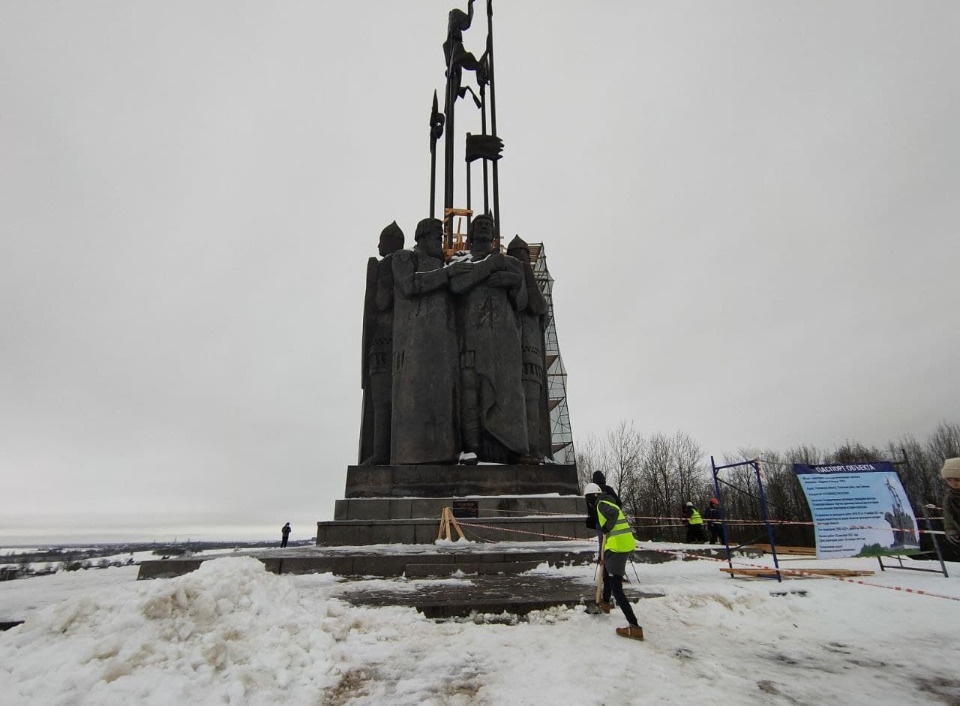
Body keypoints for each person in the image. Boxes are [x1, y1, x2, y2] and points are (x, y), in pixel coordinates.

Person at [448, 215, 528, 463]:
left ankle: (514, 449)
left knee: (509, 390)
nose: (483, 228)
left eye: (488, 225)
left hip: (504, 336)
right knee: (471, 389)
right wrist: (490, 267)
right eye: (479, 225)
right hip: (472, 332)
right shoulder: (458, 260)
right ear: (471, 232)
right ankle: (472, 449)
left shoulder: (510, 263)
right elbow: (457, 285)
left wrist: (512, 281)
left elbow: (524, 302)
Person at [390, 218, 462, 464]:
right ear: (421, 236)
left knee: (442, 400)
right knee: (417, 399)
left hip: (442, 342)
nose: (440, 242)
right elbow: (410, 285)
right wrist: (449, 272)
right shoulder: (404, 257)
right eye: (437, 236)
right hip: (415, 343)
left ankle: (443, 453)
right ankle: (415, 456)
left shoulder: (441, 265)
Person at [358, 221, 404, 465]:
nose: (378, 245)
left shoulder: (389, 265)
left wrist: (377, 282)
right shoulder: (403, 263)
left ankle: (382, 454)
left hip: (385, 344)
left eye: (382, 241)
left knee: (383, 402)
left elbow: (383, 301)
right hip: (391, 343)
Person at [584, 483, 644, 641]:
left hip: (617, 547)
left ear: (591, 497)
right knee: (606, 573)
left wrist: (606, 528)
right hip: (619, 545)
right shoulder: (607, 501)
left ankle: (634, 626)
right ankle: (604, 602)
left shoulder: (602, 504)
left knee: (616, 588)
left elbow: (613, 514)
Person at [941, 458, 960, 547]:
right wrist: (952, 533)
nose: (953, 483)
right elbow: (948, 522)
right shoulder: (948, 499)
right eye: (949, 480)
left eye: (957, 480)